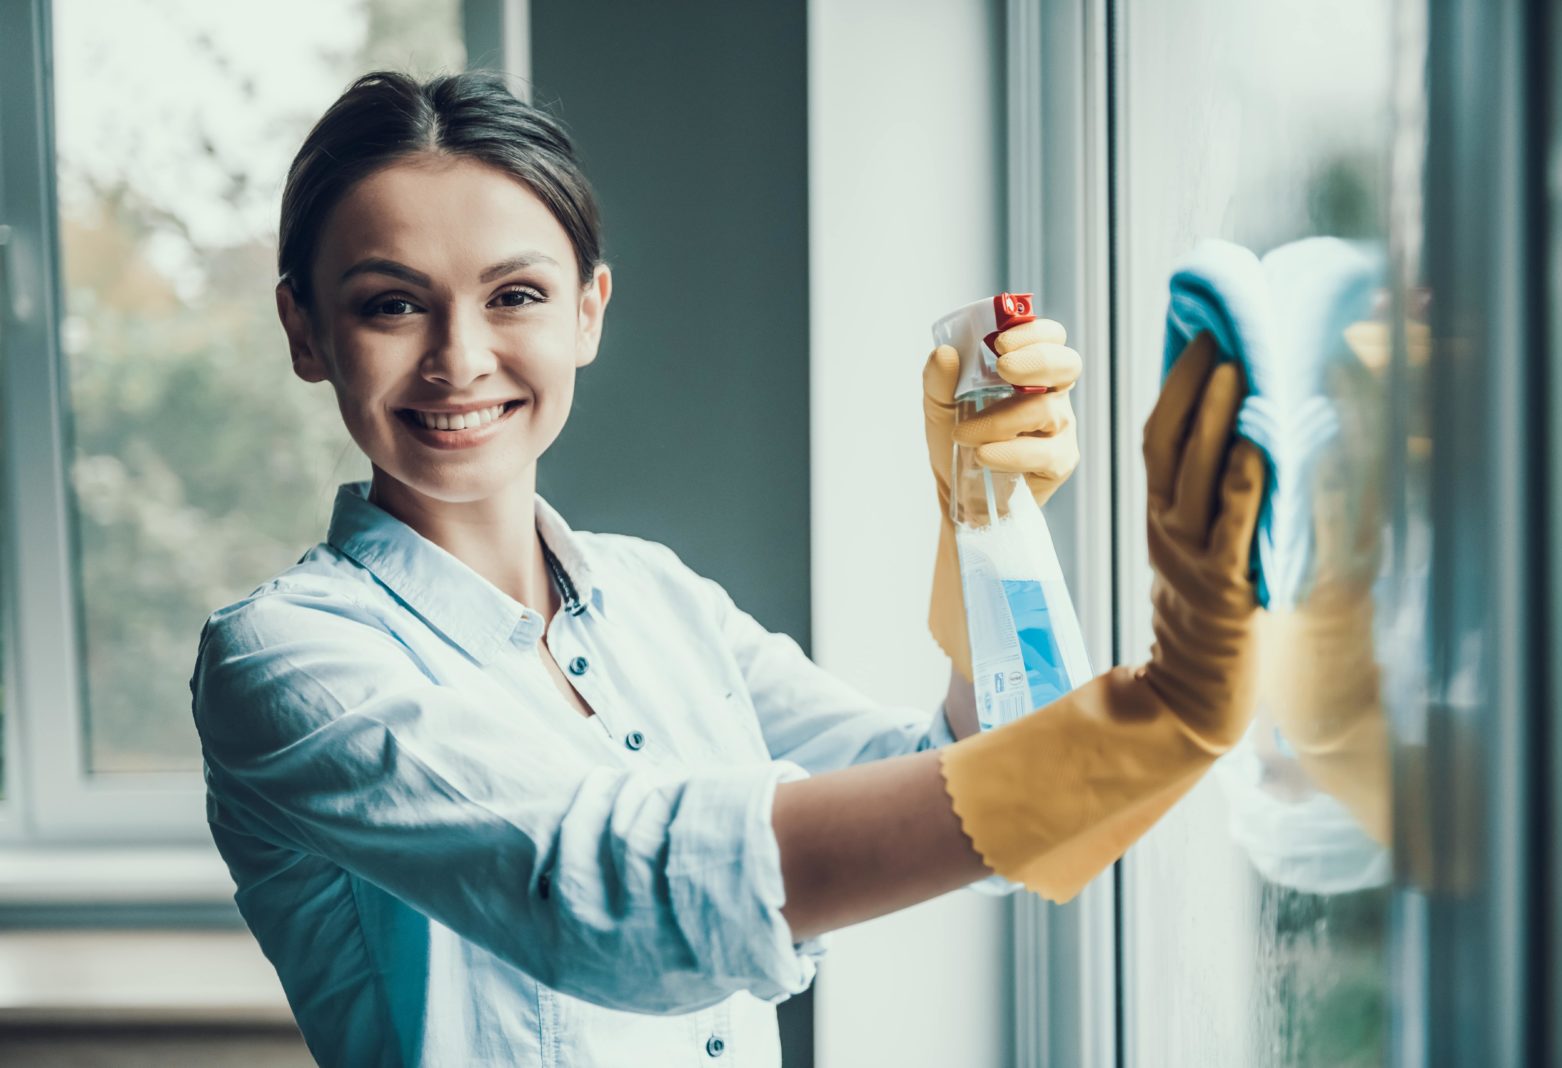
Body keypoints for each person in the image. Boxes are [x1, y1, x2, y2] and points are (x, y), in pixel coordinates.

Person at [190, 70, 1266, 1067]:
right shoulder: (284, 660)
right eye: (391, 303)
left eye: (513, 295)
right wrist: (1157, 715)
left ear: (587, 313)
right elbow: (609, 898)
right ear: (306, 330)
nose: (459, 356)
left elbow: (952, 779)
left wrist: (986, 526)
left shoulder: (658, 597)